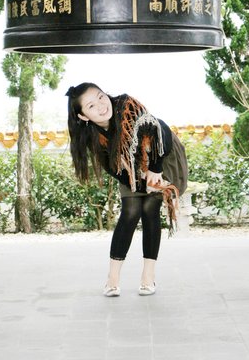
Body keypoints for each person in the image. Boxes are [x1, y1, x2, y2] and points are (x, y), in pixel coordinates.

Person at [66, 82, 176, 298]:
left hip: (161, 154)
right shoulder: (93, 136)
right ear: (83, 116)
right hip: (129, 169)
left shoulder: (127, 105)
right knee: (130, 211)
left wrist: (155, 169)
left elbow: (160, 128)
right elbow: (113, 169)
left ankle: (148, 276)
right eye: (91, 105)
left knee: (150, 209)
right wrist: (138, 181)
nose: (101, 106)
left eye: (100, 97)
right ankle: (113, 278)